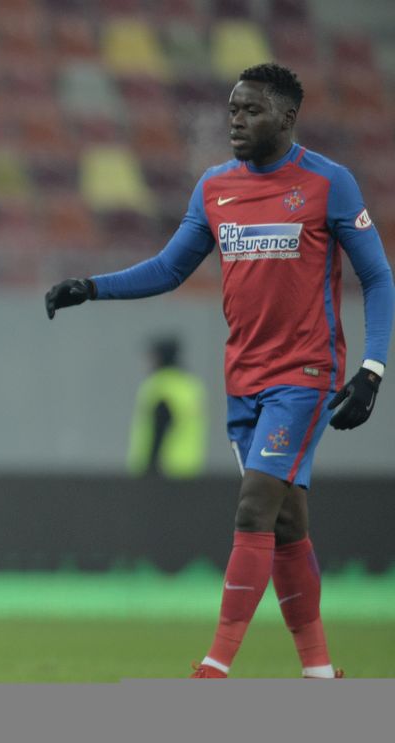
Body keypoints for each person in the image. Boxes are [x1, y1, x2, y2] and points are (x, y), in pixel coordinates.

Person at [45, 63, 393, 679]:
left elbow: (378, 277)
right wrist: (90, 287)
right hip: (243, 380)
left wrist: (371, 369)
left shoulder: (328, 183)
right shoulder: (214, 187)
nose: (235, 120)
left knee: (253, 508)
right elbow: (169, 268)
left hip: (305, 375)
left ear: (287, 118)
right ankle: (319, 672)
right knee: (285, 526)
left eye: (251, 110)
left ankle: (215, 667)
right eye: (232, 109)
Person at [126, 335, 206, 479]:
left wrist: (150, 466)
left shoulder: (161, 386)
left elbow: (161, 426)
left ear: (161, 357)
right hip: (189, 467)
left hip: (162, 470)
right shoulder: (190, 385)